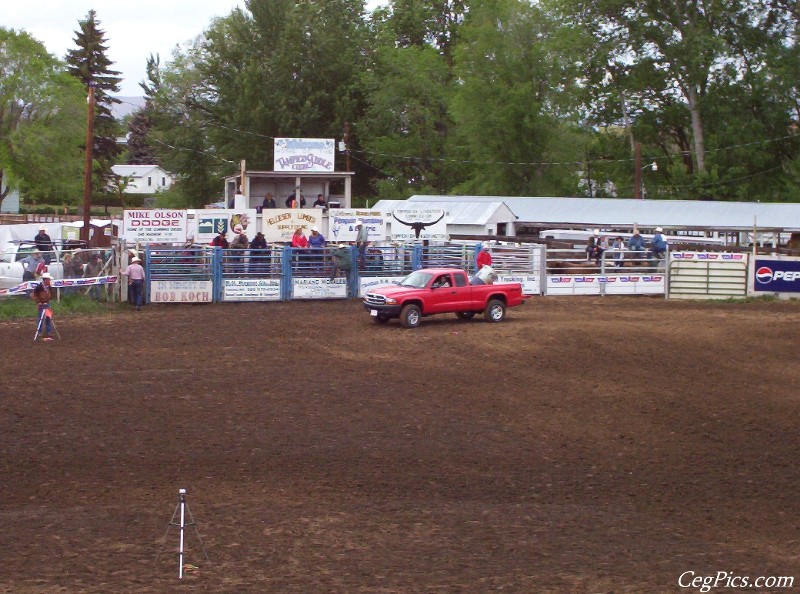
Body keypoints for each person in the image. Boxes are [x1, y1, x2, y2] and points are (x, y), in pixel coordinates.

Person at [31, 272, 55, 341]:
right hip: (41, 304)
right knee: (40, 318)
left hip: (47, 303)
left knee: (48, 317)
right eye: (48, 280)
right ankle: (39, 332)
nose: (49, 281)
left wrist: (49, 298)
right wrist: (38, 302)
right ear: (45, 280)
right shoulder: (39, 287)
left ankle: (48, 331)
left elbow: (51, 294)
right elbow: (34, 295)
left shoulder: (49, 287)